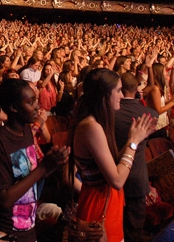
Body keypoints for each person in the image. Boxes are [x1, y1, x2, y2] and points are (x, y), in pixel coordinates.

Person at [67, 68, 157, 242]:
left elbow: (113, 165)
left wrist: (135, 140)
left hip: (107, 205)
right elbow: (117, 180)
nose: (122, 96)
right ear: (104, 95)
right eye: (118, 91)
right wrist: (132, 143)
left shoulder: (94, 124)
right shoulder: (91, 127)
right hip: (98, 207)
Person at [0, 79, 68, 242]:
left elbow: (30, 178)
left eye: (36, 100)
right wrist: (42, 169)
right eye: (30, 102)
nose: (37, 106)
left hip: (28, 225)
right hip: (10, 231)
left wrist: (53, 164)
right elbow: (4, 199)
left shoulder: (27, 133)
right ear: (14, 107)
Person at [114, 72, 158, 242]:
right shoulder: (149, 114)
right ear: (136, 89)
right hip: (137, 178)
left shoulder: (110, 113)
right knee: (134, 230)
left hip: (112, 175)